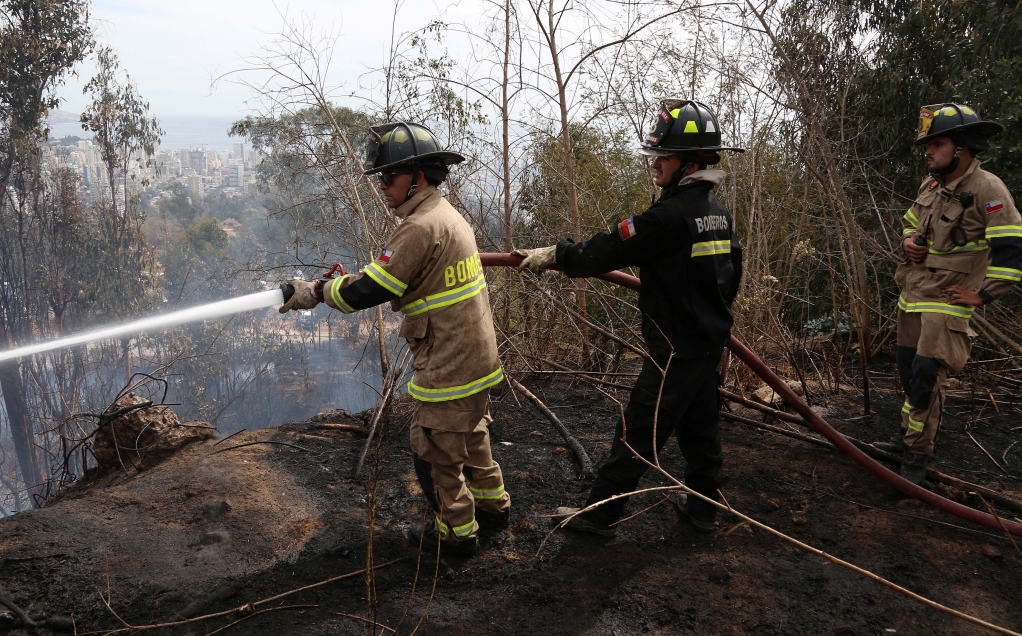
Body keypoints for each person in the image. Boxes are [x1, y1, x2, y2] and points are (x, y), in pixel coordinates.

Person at [278, 121, 509, 555]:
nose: (382, 187)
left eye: (388, 177)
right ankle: (493, 506)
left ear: (417, 178)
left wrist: (316, 292)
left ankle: (456, 535)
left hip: (448, 361)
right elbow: (391, 276)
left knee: (433, 445)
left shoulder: (420, 226)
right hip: (477, 355)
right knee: (472, 430)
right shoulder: (446, 214)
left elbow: (370, 290)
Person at [514, 99, 744, 535]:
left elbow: (608, 249)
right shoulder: (717, 212)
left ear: (689, 163)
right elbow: (732, 276)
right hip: (706, 342)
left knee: (640, 429)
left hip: (675, 347)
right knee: (700, 430)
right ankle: (702, 509)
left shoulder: (669, 216)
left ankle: (599, 515)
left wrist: (557, 254)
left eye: (663, 156)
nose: (654, 163)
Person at [872, 104, 1021, 485]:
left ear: (962, 147)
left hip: (949, 301)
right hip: (914, 293)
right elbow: (909, 220)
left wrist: (983, 296)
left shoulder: (989, 189)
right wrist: (908, 241)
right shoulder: (931, 185)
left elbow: (1012, 249)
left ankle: (917, 457)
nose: (928, 151)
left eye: (936, 144)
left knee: (926, 374)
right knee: (908, 371)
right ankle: (907, 438)